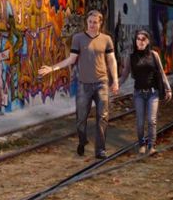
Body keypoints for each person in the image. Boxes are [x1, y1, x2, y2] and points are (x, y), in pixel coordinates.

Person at [38, 9, 119, 159]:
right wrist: (52, 68)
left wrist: (115, 80)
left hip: (101, 83)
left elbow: (111, 60)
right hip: (84, 85)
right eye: (90, 22)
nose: (92, 25)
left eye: (95, 22)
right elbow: (71, 59)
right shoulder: (78, 38)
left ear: (100, 23)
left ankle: (100, 150)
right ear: (86, 22)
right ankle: (82, 141)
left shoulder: (106, 39)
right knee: (81, 119)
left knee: (103, 117)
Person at [119, 29, 172, 155]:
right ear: (135, 41)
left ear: (148, 41)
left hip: (153, 93)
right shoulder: (131, 57)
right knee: (140, 122)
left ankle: (151, 145)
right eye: (138, 39)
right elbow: (124, 75)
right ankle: (141, 144)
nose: (141, 41)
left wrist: (168, 88)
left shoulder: (154, 55)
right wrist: (116, 84)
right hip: (138, 94)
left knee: (152, 120)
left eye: (143, 39)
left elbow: (161, 72)